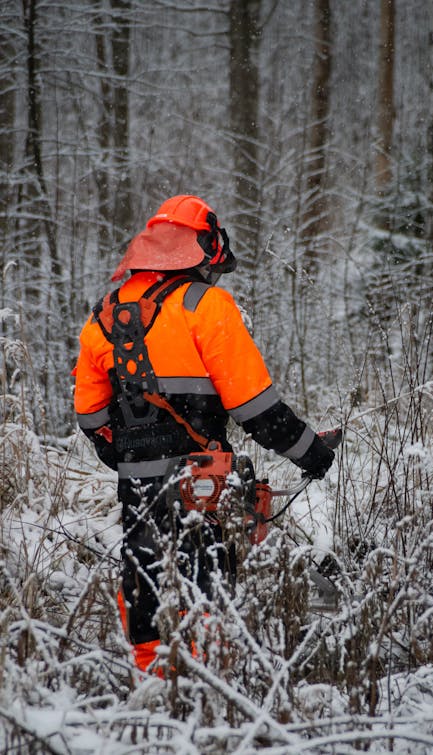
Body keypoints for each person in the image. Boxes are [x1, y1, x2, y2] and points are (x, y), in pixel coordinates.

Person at [73, 194, 334, 674]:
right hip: (203, 481)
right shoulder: (206, 304)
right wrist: (312, 453)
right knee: (208, 579)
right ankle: (210, 683)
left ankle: (151, 679)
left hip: (137, 480)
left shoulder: (104, 313)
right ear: (201, 246)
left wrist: (127, 454)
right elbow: (257, 410)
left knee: (144, 572)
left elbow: (89, 415)